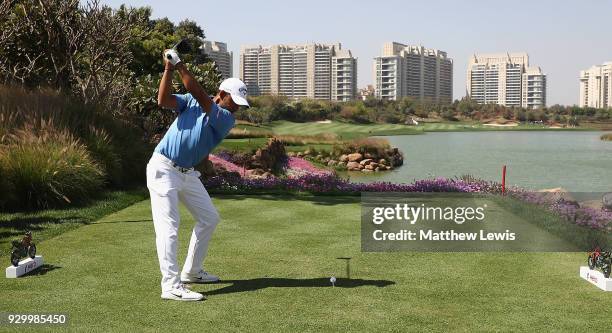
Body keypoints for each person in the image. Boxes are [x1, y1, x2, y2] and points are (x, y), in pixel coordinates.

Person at [147, 48, 249, 301]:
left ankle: (191, 272)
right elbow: (163, 100)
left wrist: (179, 64)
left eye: (240, 104)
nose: (237, 108)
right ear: (223, 94)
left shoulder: (225, 118)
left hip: (187, 174)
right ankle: (170, 286)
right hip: (164, 168)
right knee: (169, 228)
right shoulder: (190, 102)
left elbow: (201, 96)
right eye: (234, 101)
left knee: (209, 218)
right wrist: (169, 68)